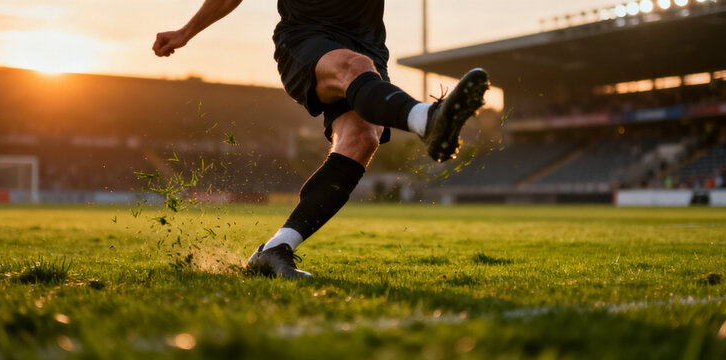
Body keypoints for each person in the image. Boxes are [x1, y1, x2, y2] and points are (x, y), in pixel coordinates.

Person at [153, 0, 489, 278]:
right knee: (353, 66)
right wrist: (185, 32)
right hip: (308, 36)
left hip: (368, 47)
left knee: (362, 139)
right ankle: (426, 119)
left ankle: (276, 247)